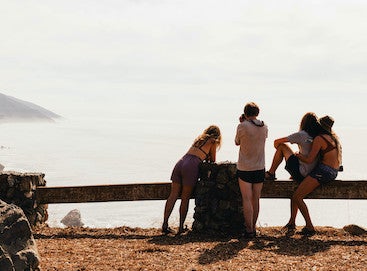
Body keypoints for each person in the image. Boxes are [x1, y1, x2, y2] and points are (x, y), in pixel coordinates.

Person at [284, 115, 342, 235]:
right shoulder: (333, 138)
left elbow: (309, 160)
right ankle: (292, 222)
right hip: (333, 171)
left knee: (297, 197)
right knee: (298, 191)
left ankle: (310, 227)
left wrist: (298, 156)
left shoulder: (319, 139)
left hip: (323, 172)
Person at [162, 125, 222, 235]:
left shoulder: (199, 139)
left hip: (181, 162)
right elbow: (213, 160)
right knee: (185, 198)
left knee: (173, 195)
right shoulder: (213, 141)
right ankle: (180, 227)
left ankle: (165, 224)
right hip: (191, 165)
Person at [235, 102, 268, 238]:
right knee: (256, 199)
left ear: (245, 113)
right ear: (257, 113)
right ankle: (253, 227)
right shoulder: (264, 126)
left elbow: (237, 142)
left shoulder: (242, 126)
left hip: (245, 167)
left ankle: (249, 230)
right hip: (259, 167)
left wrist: (243, 123)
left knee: (247, 199)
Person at [265, 112, 321, 182]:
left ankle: (271, 173)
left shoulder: (301, 135)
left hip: (301, 173)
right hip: (312, 175)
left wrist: (281, 153)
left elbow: (276, 142)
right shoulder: (319, 137)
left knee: (282, 146)